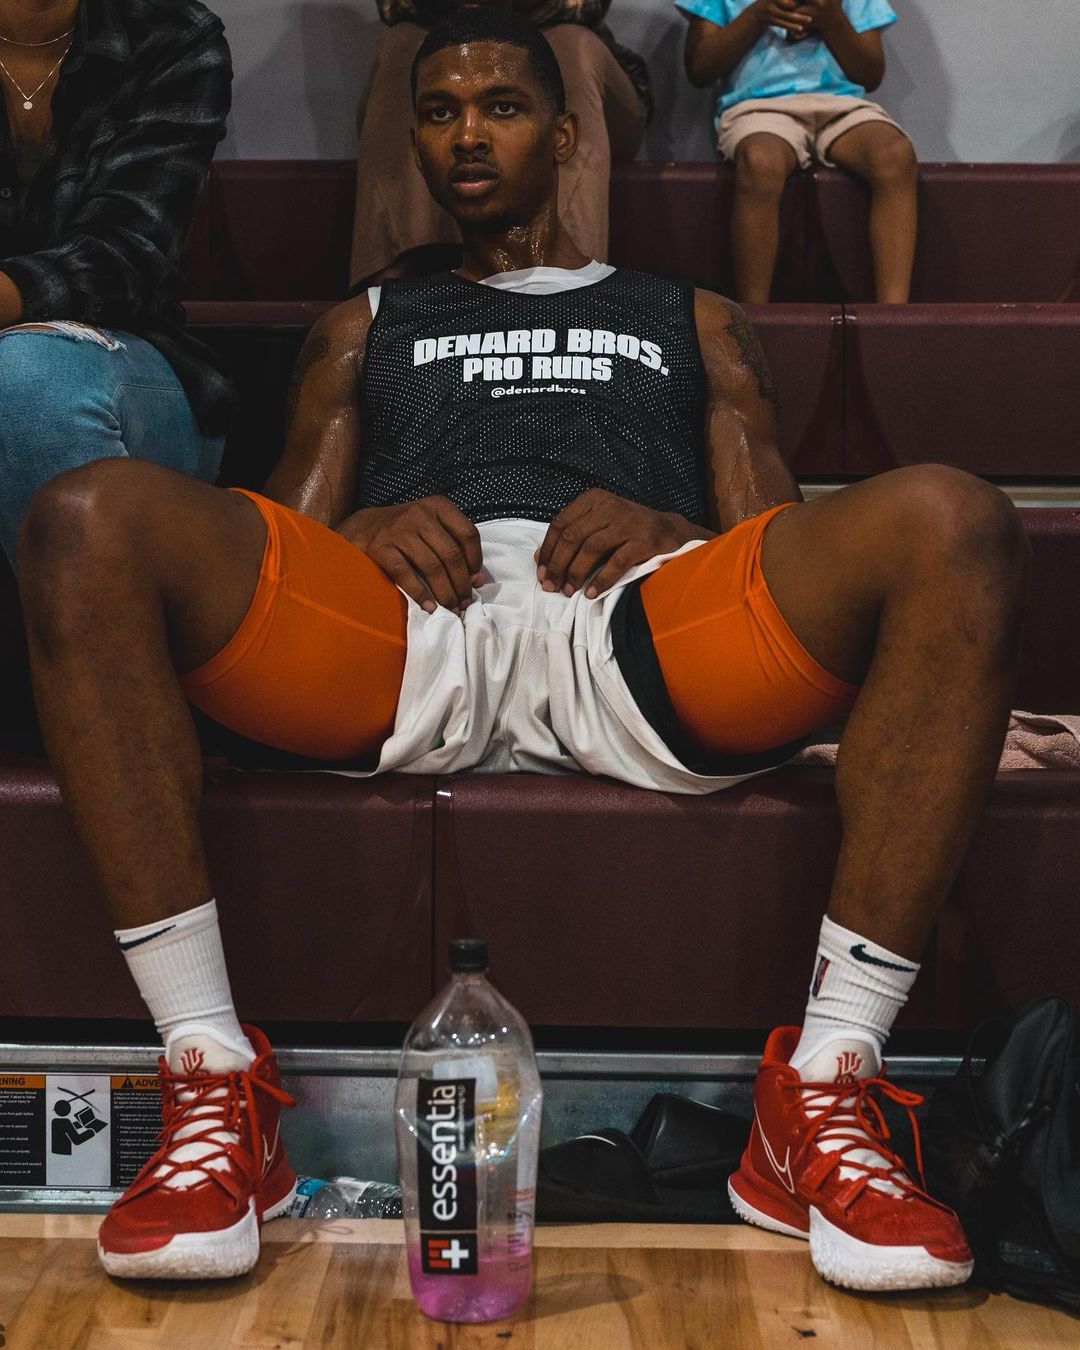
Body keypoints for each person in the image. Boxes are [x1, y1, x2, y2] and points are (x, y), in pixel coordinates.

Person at [17, 8, 1026, 1292]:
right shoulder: (366, 319)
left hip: (635, 623)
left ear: (563, 134)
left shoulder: (694, 315)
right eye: (439, 112)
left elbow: (767, 542)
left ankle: (824, 1094)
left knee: (954, 518)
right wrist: (365, 525)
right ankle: (213, 1084)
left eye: (499, 107)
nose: (466, 135)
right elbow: (282, 540)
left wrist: (674, 527)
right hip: (411, 630)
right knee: (86, 518)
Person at [0, 0, 232, 563]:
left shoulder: (168, 34)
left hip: (119, 353)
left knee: (28, 378)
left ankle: (88, 617)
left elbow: (124, 255)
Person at [349, 0, 649, 288]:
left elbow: (587, 6)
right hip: (439, 33)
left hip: (579, 66)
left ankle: (572, 285)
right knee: (404, 46)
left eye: (503, 109)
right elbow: (394, 6)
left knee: (569, 47)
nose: (467, 140)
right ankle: (390, 292)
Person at [679, 0, 917, 303]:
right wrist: (758, 14)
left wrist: (832, 20)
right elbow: (699, 69)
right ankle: (753, 314)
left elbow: (870, 75)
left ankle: (894, 313)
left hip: (840, 103)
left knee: (895, 156)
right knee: (760, 162)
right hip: (758, 105)